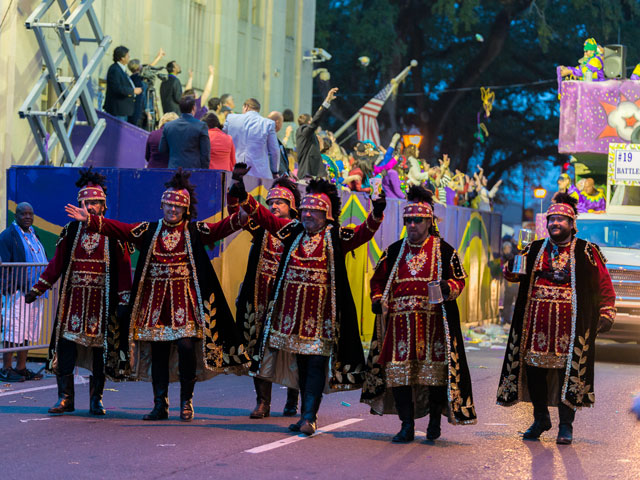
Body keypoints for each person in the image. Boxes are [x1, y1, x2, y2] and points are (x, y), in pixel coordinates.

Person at [65, 169, 251, 422]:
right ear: (162, 205)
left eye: (178, 206)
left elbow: (225, 227)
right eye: (169, 205)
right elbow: (121, 229)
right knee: (159, 354)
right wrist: (90, 220)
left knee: (186, 349)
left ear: (185, 209)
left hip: (185, 305)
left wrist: (238, 201)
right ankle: (159, 404)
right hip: (155, 306)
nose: (172, 210)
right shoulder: (149, 231)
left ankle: (186, 402)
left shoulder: (195, 231)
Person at [228, 175, 386, 435]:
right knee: (300, 364)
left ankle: (310, 416)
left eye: (314, 212)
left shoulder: (336, 236)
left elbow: (362, 234)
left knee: (315, 364)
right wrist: (244, 196)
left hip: (321, 317)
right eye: (305, 211)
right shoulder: (293, 232)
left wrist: (376, 214)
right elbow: (267, 219)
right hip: (291, 317)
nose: (308, 215)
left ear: (326, 215)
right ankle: (304, 415)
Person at [497, 193, 616, 445]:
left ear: (572, 224)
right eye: (552, 219)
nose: (555, 223)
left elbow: (603, 283)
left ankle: (566, 426)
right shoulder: (534, 248)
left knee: (568, 373)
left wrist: (607, 310)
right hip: (535, 327)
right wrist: (514, 260)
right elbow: (511, 275)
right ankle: (540, 418)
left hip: (571, 328)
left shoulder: (587, 251)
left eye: (561, 219)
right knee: (534, 371)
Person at [361, 186, 476, 443]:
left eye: (418, 220)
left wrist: (449, 287)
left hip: (433, 326)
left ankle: (434, 421)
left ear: (429, 221)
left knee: (434, 378)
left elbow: (459, 280)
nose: (412, 225)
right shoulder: (393, 251)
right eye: (408, 220)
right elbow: (377, 281)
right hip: (399, 327)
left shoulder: (445, 250)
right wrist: (378, 299)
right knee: (400, 376)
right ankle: (407, 425)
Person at [24, 170, 132, 415]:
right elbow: (57, 264)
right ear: (80, 204)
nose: (91, 207)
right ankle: (65, 398)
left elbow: (125, 268)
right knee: (66, 347)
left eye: (96, 203)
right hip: (72, 302)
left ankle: (97, 399)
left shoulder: (112, 233)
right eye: (87, 202)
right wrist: (37, 289)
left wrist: (124, 299)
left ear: (103, 206)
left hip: (101, 304)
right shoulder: (71, 231)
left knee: (99, 351)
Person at [229, 174, 301, 418]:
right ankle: (263, 403)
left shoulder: (299, 229)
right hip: (260, 295)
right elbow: (238, 217)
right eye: (271, 202)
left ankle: (293, 398)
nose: (274, 206)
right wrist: (236, 191)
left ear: (291, 206)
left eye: (280, 202)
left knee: (291, 349)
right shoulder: (260, 226)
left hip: (288, 298)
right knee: (257, 347)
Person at [0, 203, 47, 382]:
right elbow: (4, 266)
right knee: (13, 331)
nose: (27, 217)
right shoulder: (8, 235)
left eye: (30, 213)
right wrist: (6, 291)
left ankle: (21, 368)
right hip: (16, 292)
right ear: (16, 215)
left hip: (33, 292)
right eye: (23, 214)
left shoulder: (34, 234)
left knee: (27, 331)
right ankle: (6, 368)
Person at [223, 98, 280, 178]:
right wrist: (275, 171)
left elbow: (223, 139)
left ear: (246, 107)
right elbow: (274, 151)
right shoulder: (268, 124)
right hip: (259, 174)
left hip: (235, 171)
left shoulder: (231, 119)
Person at [296, 88, 338, 179]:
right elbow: (315, 121)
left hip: (313, 174)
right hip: (308, 175)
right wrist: (326, 102)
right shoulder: (303, 130)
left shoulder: (308, 135)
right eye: (312, 120)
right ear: (309, 122)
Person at [159, 95, 210, 169]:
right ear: (194, 108)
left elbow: (162, 149)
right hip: (194, 170)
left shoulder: (168, 126)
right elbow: (205, 153)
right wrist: (204, 172)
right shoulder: (201, 126)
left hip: (173, 169)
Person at [127, 48, 165, 127]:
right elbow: (145, 97)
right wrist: (148, 112)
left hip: (133, 112)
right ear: (138, 67)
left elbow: (149, 67)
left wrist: (158, 57)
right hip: (142, 113)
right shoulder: (141, 80)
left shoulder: (130, 78)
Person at [103, 46, 142, 121]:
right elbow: (117, 88)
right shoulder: (115, 69)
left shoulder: (121, 69)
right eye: (127, 55)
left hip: (123, 110)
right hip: (118, 110)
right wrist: (133, 91)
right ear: (122, 58)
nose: (129, 57)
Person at [267, 111, 290, 176]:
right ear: (277, 122)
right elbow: (275, 156)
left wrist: (288, 171)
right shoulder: (268, 138)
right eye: (282, 122)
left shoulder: (273, 136)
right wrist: (284, 174)